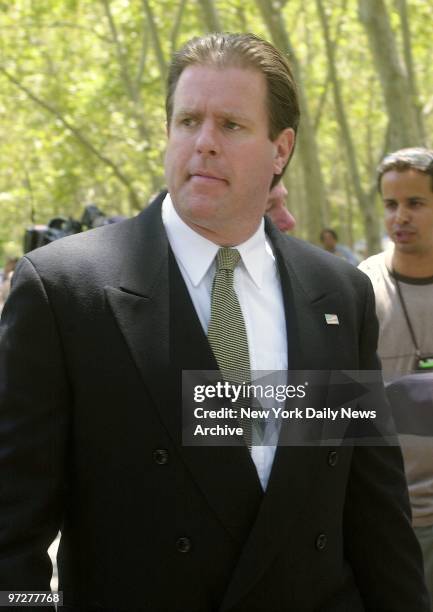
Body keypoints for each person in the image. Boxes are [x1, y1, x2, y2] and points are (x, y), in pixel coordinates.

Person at [0, 33, 429, 612]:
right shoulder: (65, 291)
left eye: (230, 125)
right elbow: (12, 534)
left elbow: (374, 510)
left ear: (281, 149)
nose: (203, 143)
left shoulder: (337, 293)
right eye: (187, 121)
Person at [359, 146, 433, 603]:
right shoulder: (361, 287)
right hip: (396, 516)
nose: (399, 217)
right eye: (390, 205)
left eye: (415, 203)